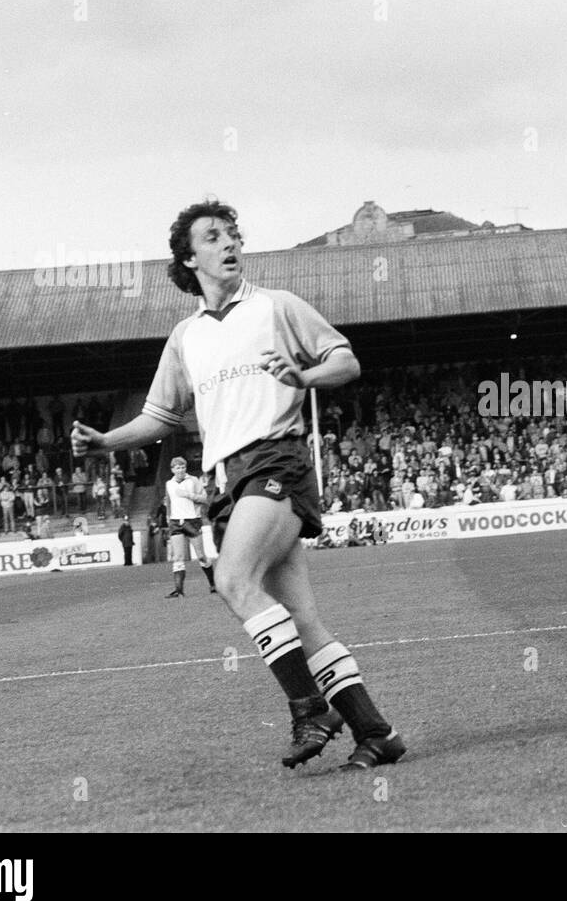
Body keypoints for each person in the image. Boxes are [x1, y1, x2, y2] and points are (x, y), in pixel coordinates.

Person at [71, 199, 403, 771]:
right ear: (189, 256)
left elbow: (345, 361)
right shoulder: (185, 337)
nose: (229, 244)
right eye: (213, 236)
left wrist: (306, 375)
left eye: (233, 234)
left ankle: (310, 709)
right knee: (301, 620)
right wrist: (105, 442)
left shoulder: (277, 307)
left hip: (277, 462)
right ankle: (377, 733)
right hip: (228, 481)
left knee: (231, 577)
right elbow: (161, 417)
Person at [163, 456, 217, 597]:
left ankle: (213, 584)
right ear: (172, 469)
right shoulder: (169, 483)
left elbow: (205, 498)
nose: (180, 470)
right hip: (175, 522)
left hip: (192, 521)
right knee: (178, 556)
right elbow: (168, 502)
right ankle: (179, 590)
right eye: (177, 468)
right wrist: (168, 518)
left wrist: (187, 495)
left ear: (185, 468)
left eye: (182, 467)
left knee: (201, 556)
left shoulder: (193, 480)